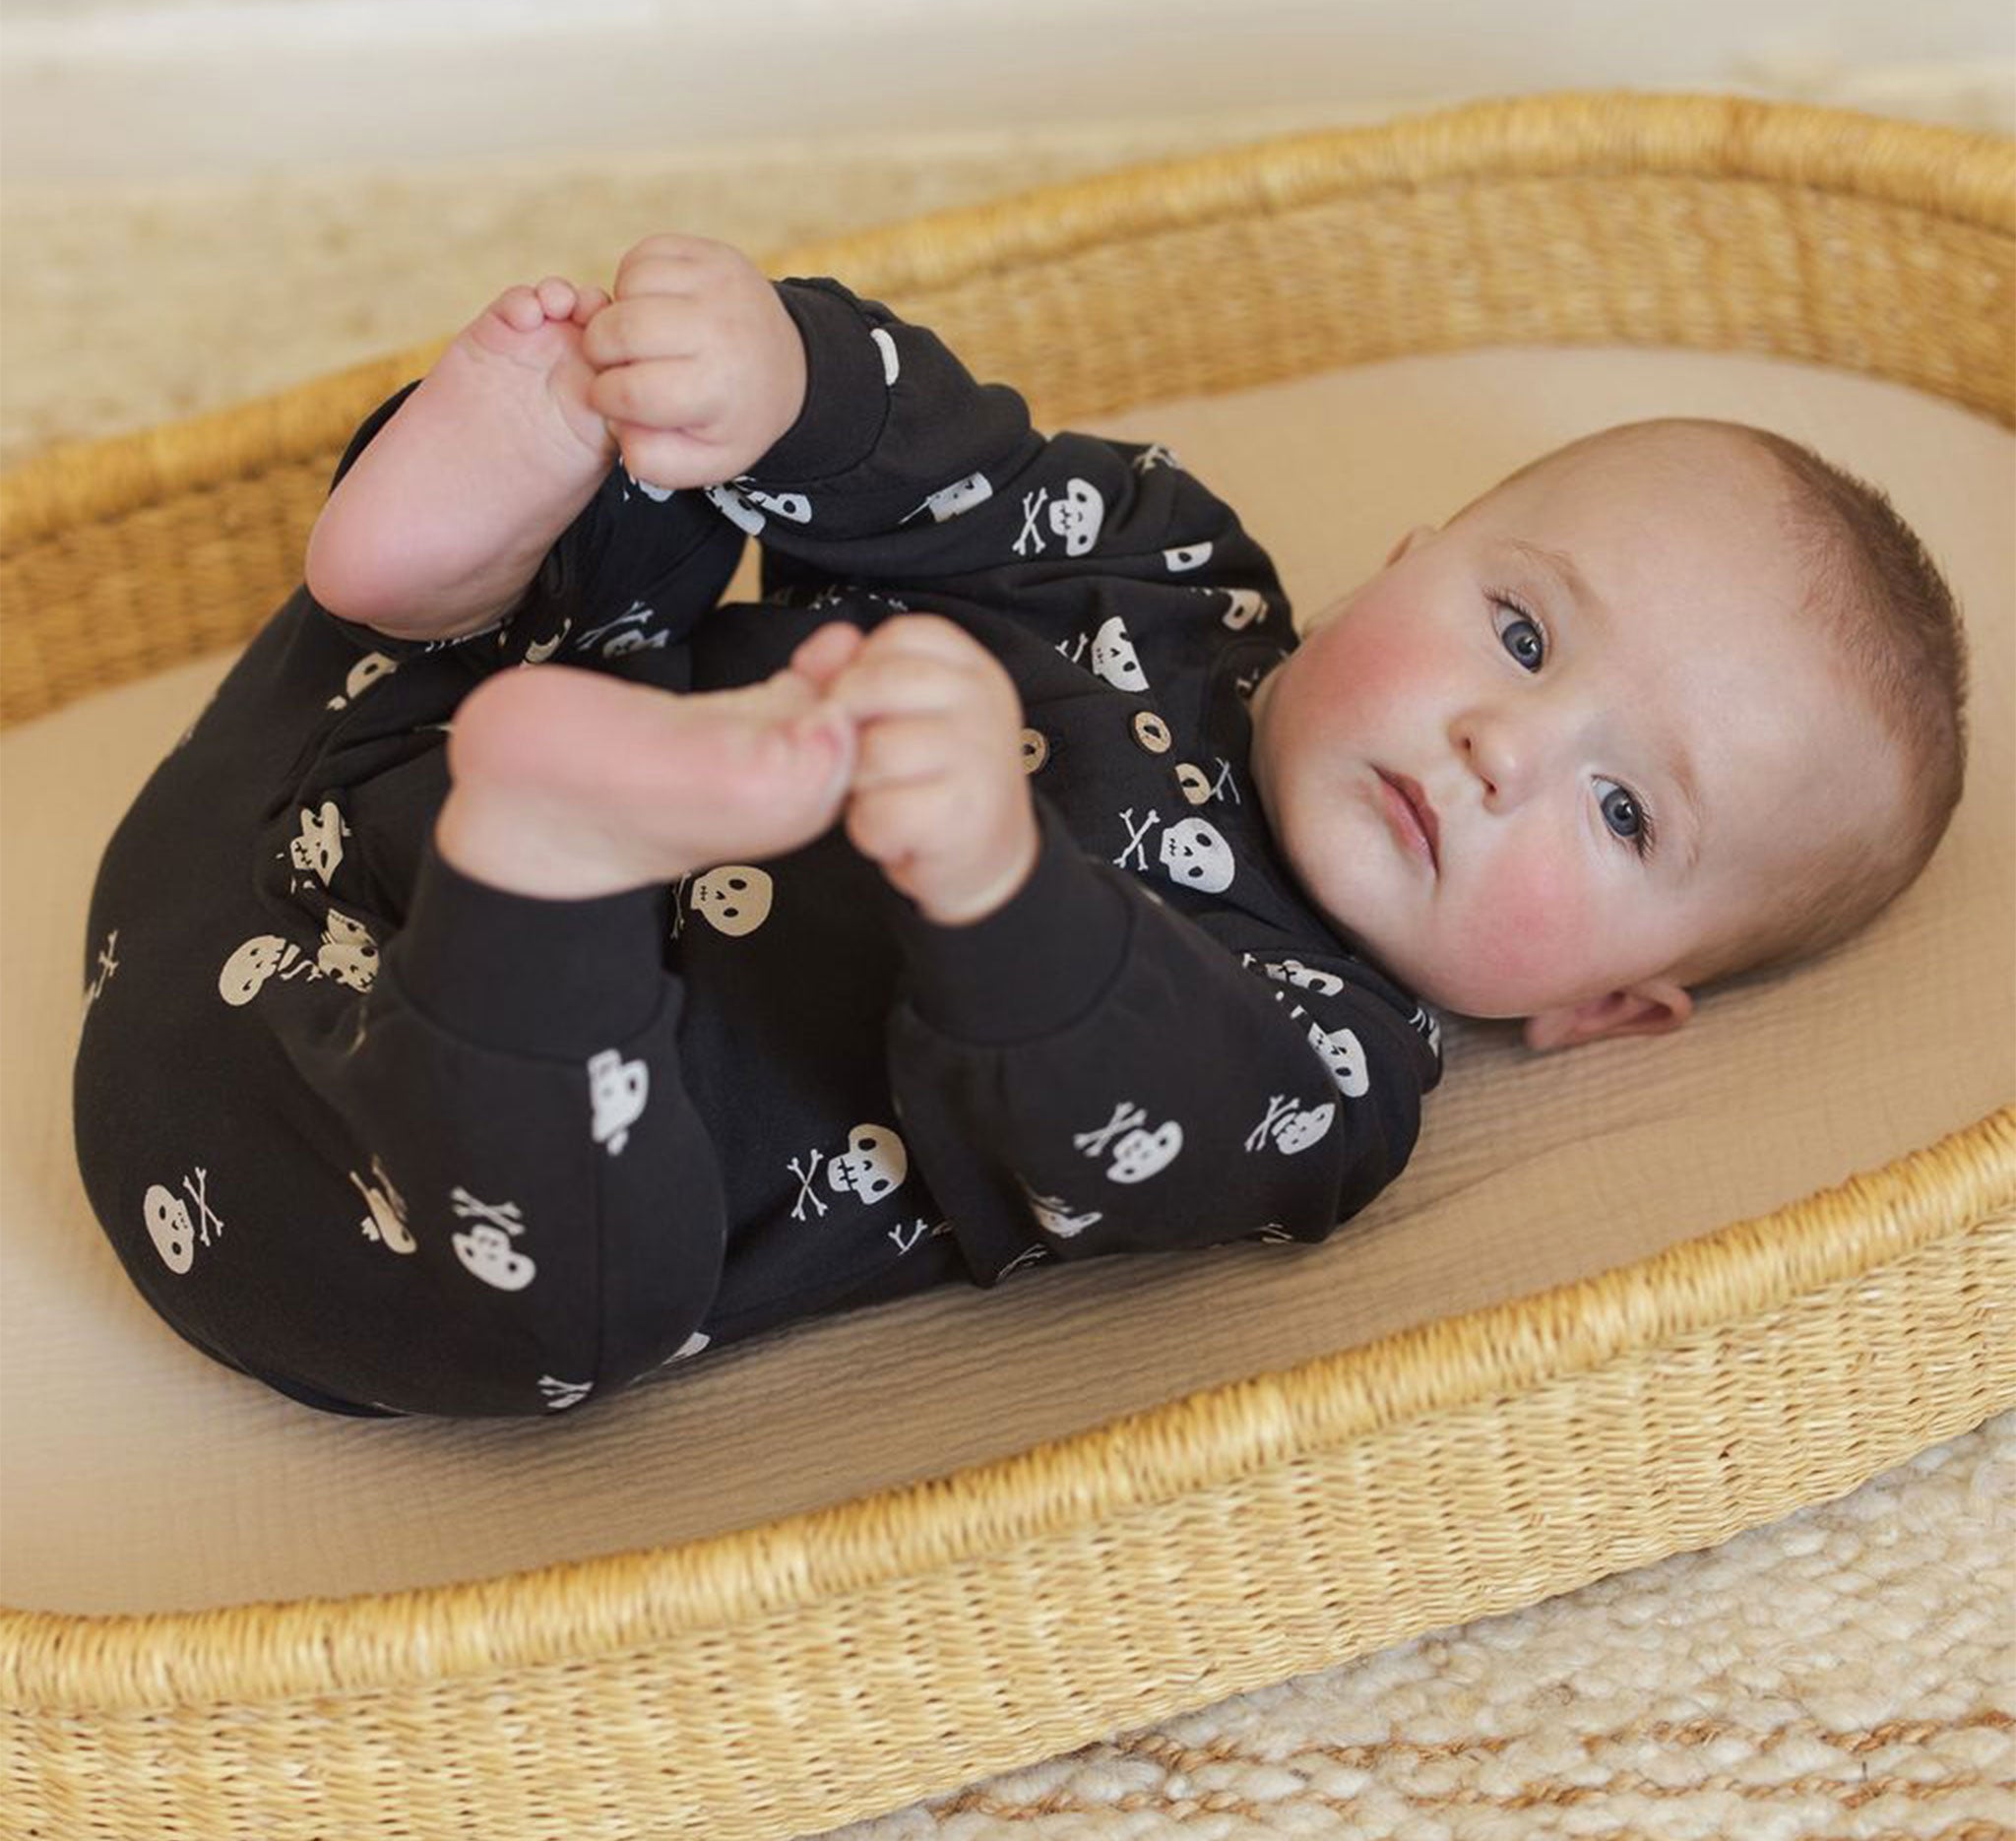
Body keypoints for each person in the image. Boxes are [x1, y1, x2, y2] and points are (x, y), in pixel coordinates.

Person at [72, 235, 1967, 1420]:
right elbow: (962, 475)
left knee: (597, 1297)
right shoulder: (1175, 569)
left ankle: (552, 861)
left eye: (1623, 808)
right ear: (1409, 552)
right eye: (1524, 631)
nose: (1497, 744)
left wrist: (993, 869)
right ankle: (442, 563)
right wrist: (781, 378)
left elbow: (1113, 1112)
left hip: (352, 1180)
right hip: (283, 834)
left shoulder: (1330, 1068)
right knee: (674, 503)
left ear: (1615, 1010)